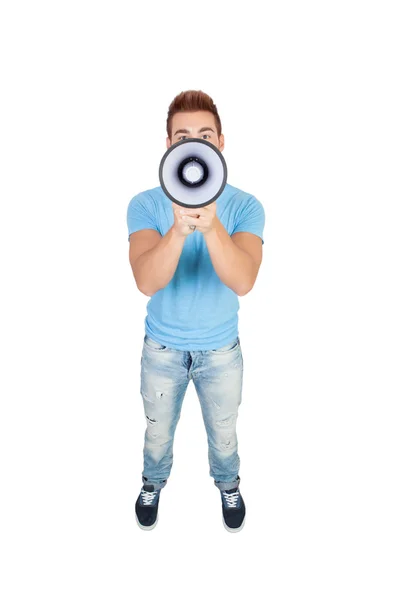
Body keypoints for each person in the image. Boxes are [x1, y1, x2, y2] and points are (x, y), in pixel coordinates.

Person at [127, 90, 265, 532]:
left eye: (205, 135)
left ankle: (228, 484)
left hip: (220, 351)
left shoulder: (246, 206)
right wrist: (178, 227)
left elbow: (243, 280)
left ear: (220, 143)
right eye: (183, 136)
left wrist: (211, 225)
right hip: (162, 350)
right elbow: (146, 281)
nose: (196, 143)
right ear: (170, 146)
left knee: (224, 433)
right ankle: (153, 482)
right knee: (156, 433)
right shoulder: (145, 204)